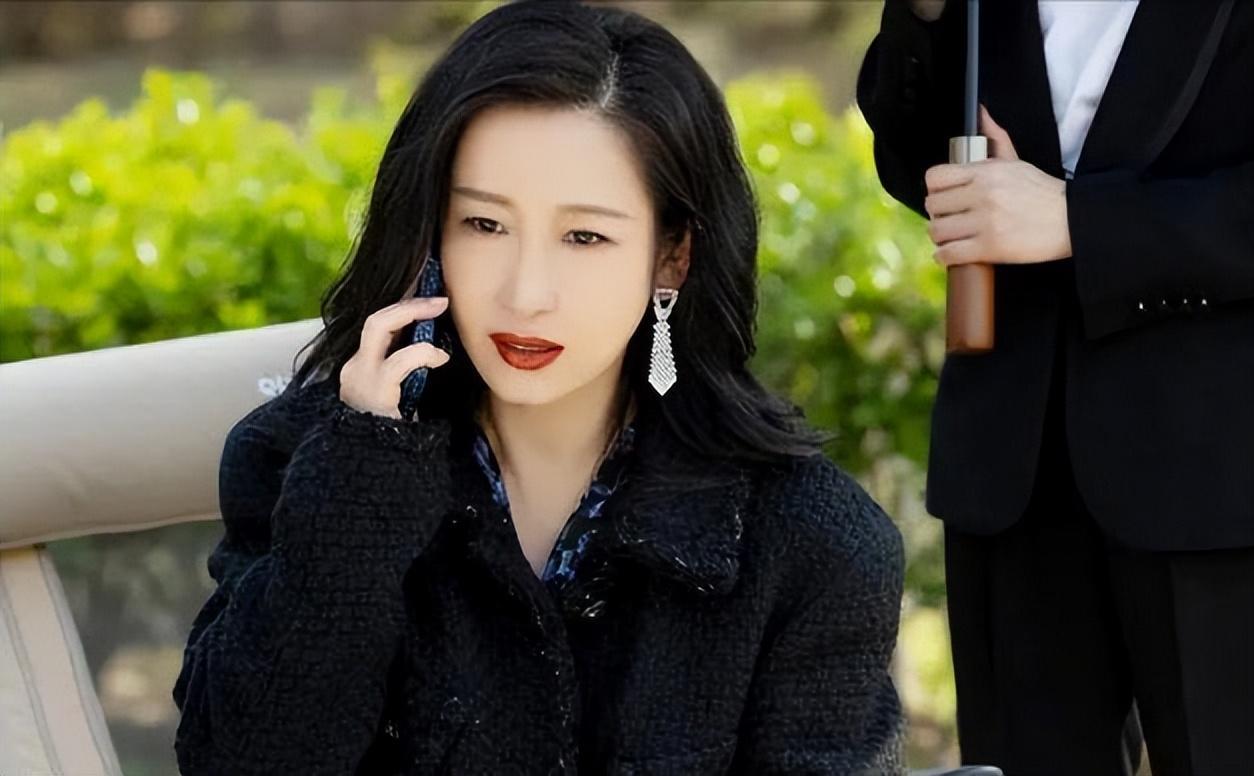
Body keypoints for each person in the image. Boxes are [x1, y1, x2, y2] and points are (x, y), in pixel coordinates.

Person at [172, 1, 908, 773]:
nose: (525, 295)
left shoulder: (813, 543)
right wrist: (359, 490)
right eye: (484, 225)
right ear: (429, 233)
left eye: (584, 236)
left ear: (673, 257)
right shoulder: (306, 463)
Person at [857, 1, 1254, 774]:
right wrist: (924, 16)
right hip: (1013, 458)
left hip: (1221, 470)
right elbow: (915, 165)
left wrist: (1083, 223)